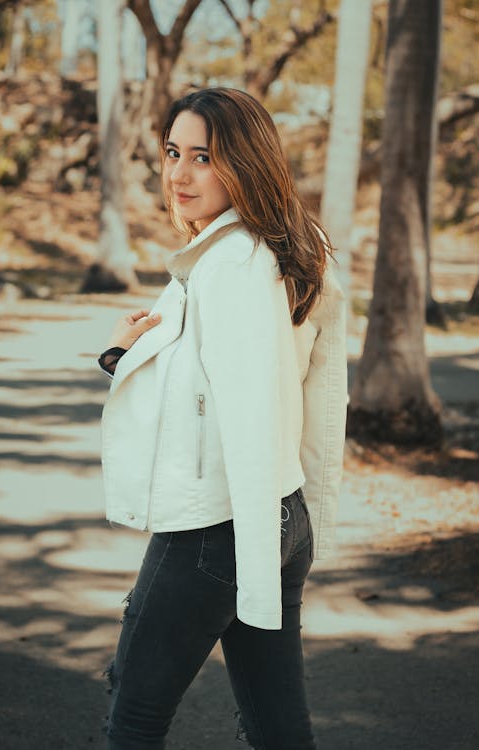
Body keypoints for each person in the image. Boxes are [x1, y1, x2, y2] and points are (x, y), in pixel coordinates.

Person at [98, 87, 347, 750]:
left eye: (202, 157)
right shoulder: (281, 250)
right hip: (275, 511)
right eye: (172, 152)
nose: (177, 174)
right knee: (276, 726)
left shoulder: (230, 268)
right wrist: (121, 353)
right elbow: (289, 388)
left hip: (223, 524)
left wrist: (255, 551)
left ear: (245, 163)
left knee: (136, 709)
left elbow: (247, 411)